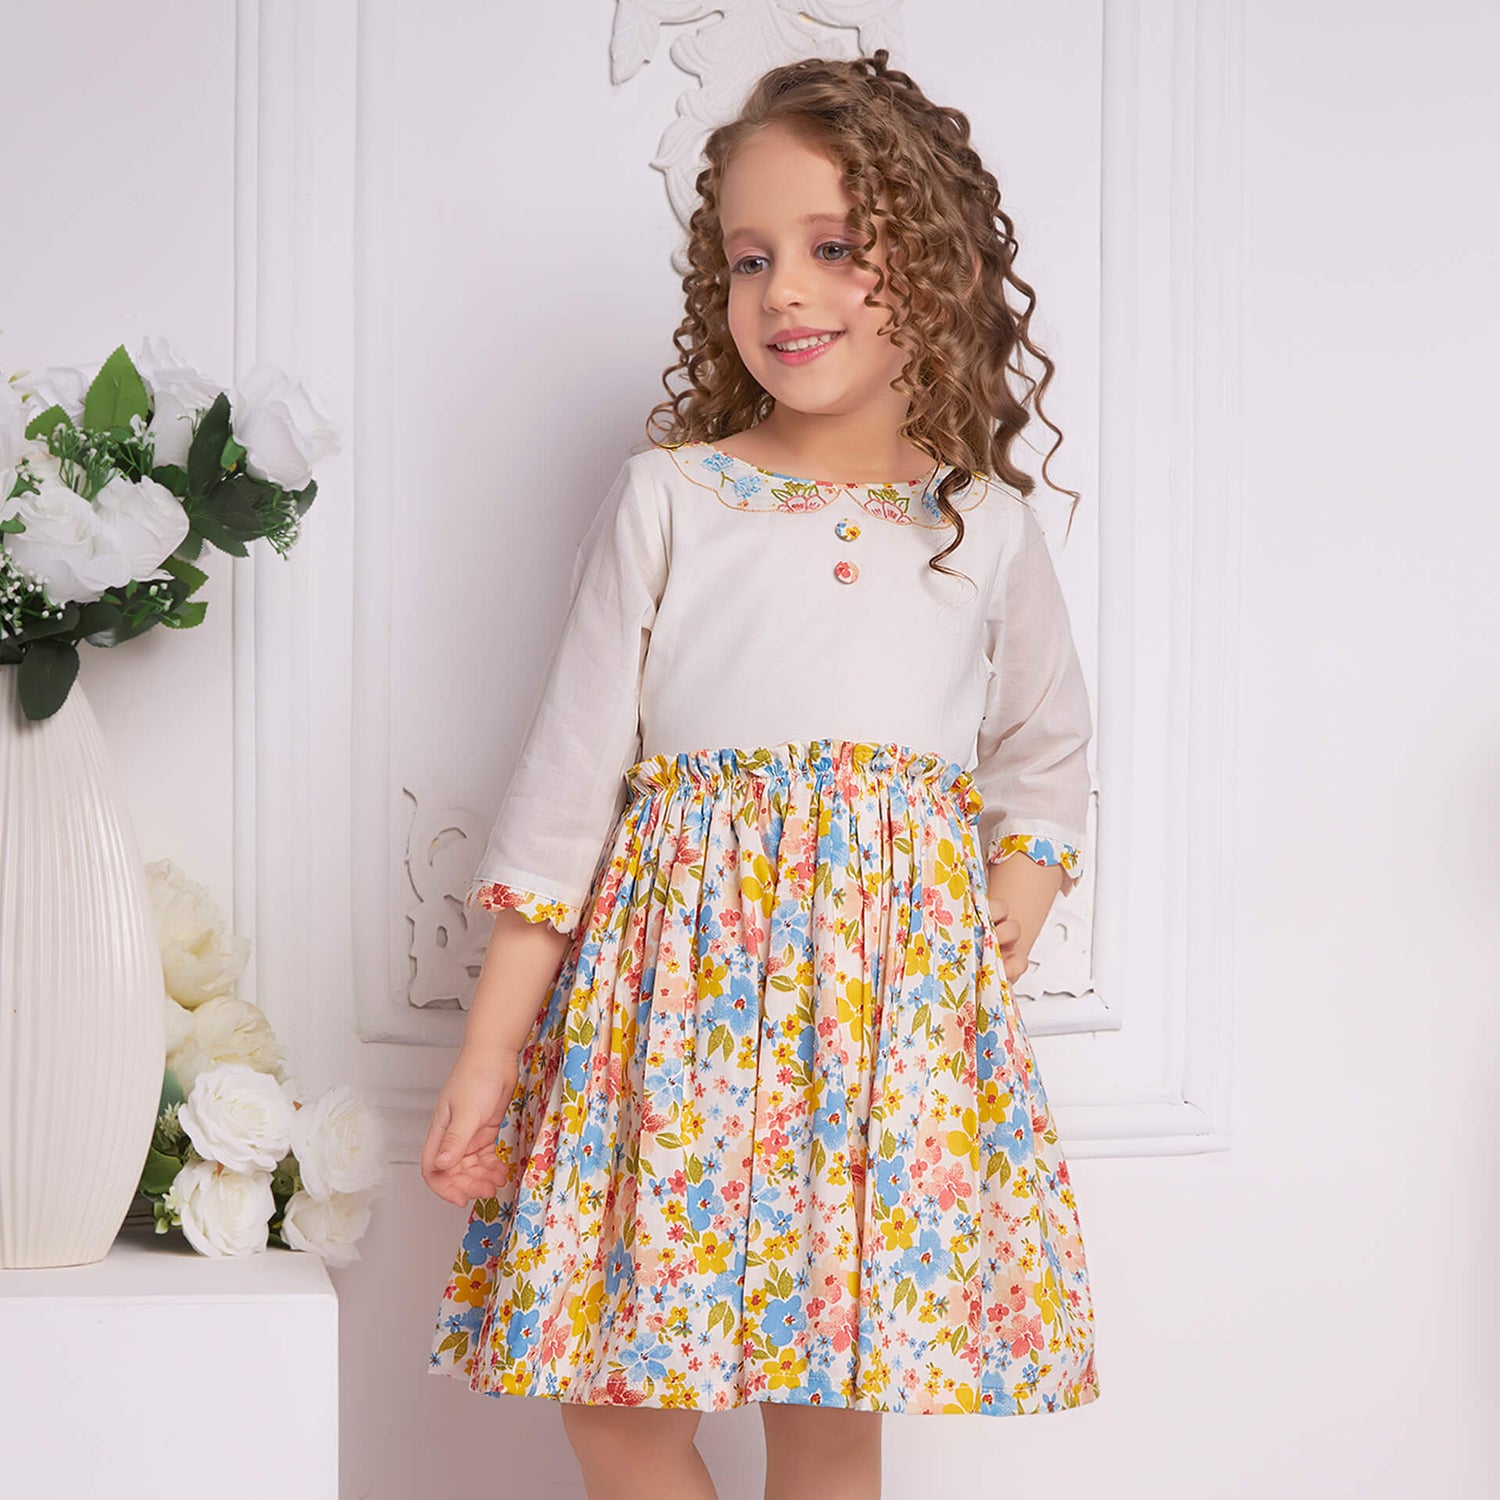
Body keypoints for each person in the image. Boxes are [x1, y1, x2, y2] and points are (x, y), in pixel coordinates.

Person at [423, 48, 1099, 1499]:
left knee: (830, 1410)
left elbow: (1047, 744)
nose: (785, 291)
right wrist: (488, 1059)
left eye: (835, 247)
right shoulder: (674, 497)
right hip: (675, 1024)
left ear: (936, 267)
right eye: (749, 258)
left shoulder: (979, 525)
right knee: (616, 1407)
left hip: (884, 1032)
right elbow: (564, 790)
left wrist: (1019, 887)